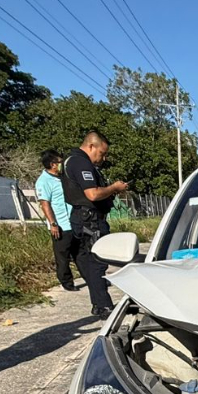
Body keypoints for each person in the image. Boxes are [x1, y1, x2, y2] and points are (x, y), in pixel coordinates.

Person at [61, 130, 128, 317]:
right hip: (90, 220)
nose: (103, 158)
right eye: (102, 153)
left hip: (83, 218)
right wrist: (114, 188)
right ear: (91, 146)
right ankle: (104, 306)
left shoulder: (72, 161)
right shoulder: (80, 162)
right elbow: (93, 194)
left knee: (88, 262)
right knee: (97, 262)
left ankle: (98, 304)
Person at [34, 150, 78, 291]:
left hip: (73, 222)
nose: (62, 165)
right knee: (62, 256)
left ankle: (91, 278)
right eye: (60, 162)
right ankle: (67, 282)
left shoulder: (62, 177)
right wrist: (53, 223)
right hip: (60, 225)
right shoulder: (43, 181)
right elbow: (45, 204)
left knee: (81, 253)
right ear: (53, 164)